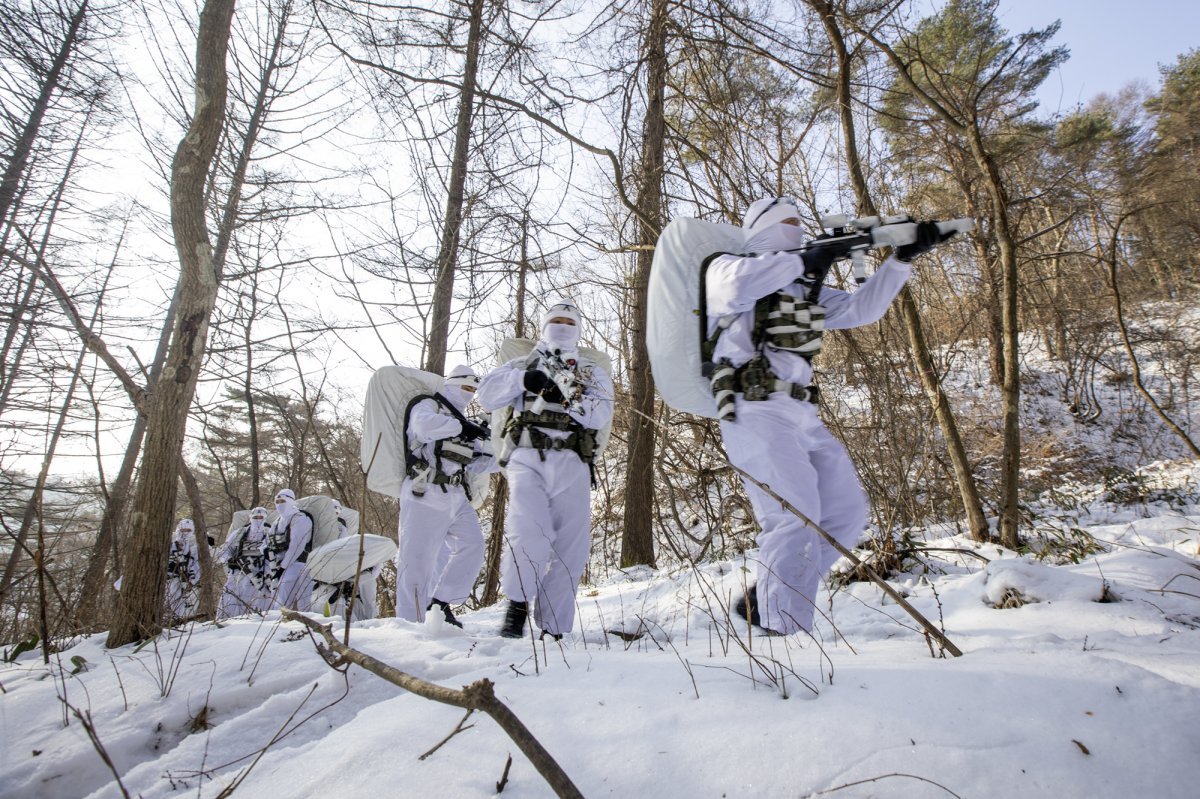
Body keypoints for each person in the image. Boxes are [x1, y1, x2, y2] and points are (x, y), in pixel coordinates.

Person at [709, 196, 953, 636]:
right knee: (793, 515)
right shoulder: (728, 268)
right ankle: (781, 633)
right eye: (786, 223)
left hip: (802, 411)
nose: (795, 228)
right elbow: (732, 289)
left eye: (799, 223)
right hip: (754, 407)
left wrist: (901, 260)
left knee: (843, 513)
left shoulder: (806, 287)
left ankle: (771, 593)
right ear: (760, 228)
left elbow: (862, 309)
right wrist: (806, 257)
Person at [477, 300, 614, 640]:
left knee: (572, 545)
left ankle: (555, 627)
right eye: (556, 320)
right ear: (544, 325)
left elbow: (599, 415)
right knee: (529, 528)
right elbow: (486, 395)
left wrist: (570, 394)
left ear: (579, 328)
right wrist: (525, 379)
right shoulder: (522, 362)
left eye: (570, 321)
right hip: (528, 455)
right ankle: (518, 605)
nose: (562, 326)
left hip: (572, 460)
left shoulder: (591, 371)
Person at [394, 365, 496, 627]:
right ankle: (410, 623)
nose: (469, 394)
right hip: (424, 491)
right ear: (451, 384)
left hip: (455, 495)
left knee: (472, 546)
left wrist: (509, 457)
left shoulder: (464, 424)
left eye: (474, 390)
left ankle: (440, 604)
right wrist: (461, 427)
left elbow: (477, 463)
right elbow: (422, 427)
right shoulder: (429, 406)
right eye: (466, 388)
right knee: (416, 561)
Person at [217, 506, 270, 618]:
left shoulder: (269, 534)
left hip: (258, 577)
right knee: (229, 601)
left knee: (258, 605)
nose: (258, 519)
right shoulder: (239, 533)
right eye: (255, 517)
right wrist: (229, 560)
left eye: (261, 517)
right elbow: (224, 551)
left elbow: (272, 556)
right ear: (250, 518)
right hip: (238, 574)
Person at [270, 488, 314, 611]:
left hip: (300, 564)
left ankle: (305, 625)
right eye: (277, 502)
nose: (279, 505)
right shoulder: (277, 522)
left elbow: (297, 545)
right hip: (281, 566)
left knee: (303, 601)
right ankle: (280, 625)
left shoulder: (300, 518)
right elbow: (268, 541)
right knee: (280, 600)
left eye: (282, 501)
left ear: (291, 501)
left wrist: (283, 567)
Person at [165, 518, 201, 622]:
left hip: (182, 579)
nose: (185, 533)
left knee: (179, 601)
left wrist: (194, 579)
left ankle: (178, 620)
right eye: (183, 530)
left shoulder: (193, 546)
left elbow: (194, 564)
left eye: (188, 530)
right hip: (168, 576)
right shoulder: (170, 542)